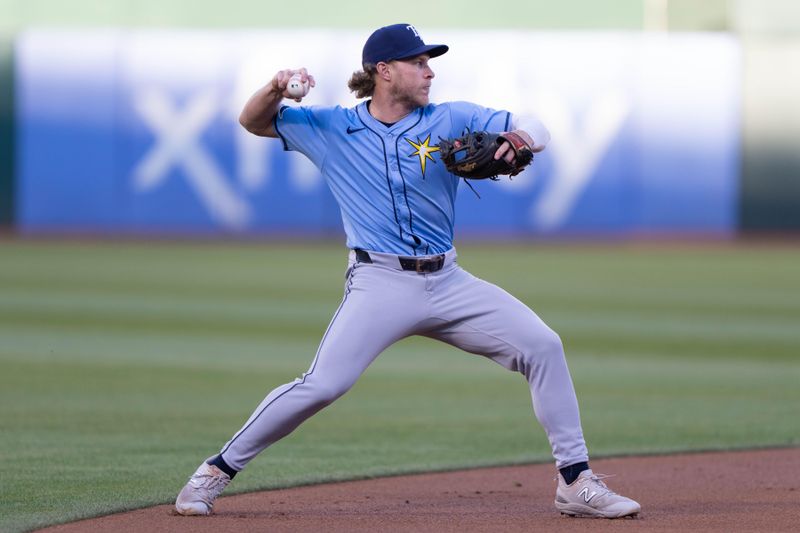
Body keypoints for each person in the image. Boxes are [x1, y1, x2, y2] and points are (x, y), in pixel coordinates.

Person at [175, 23, 640, 519]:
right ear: (384, 71)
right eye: (418, 62)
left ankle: (576, 482)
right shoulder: (331, 128)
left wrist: (519, 135)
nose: (429, 70)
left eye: (428, 61)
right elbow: (253, 122)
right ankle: (213, 473)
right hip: (380, 283)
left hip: (449, 280)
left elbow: (538, 128)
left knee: (543, 345)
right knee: (322, 384)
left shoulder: (452, 117)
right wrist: (273, 87)